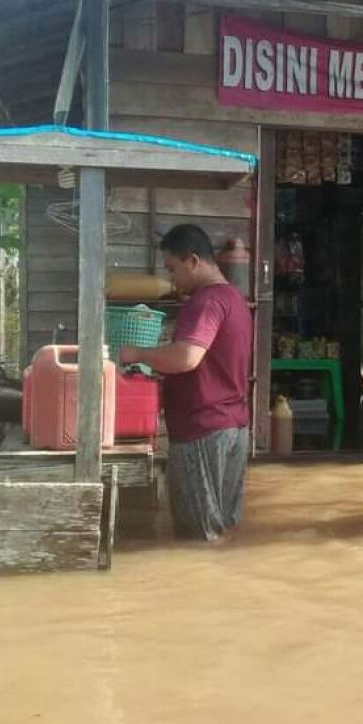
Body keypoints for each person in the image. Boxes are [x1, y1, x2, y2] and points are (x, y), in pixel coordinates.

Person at [119, 224, 253, 541]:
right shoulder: (234, 298)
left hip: (203, 429)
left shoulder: (205, 301)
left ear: (194, 261)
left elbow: (187, 358)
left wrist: (135, 352)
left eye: (173, 269)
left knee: (199, 536)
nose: (171, 279)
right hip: (234, 427)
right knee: (224, 528)